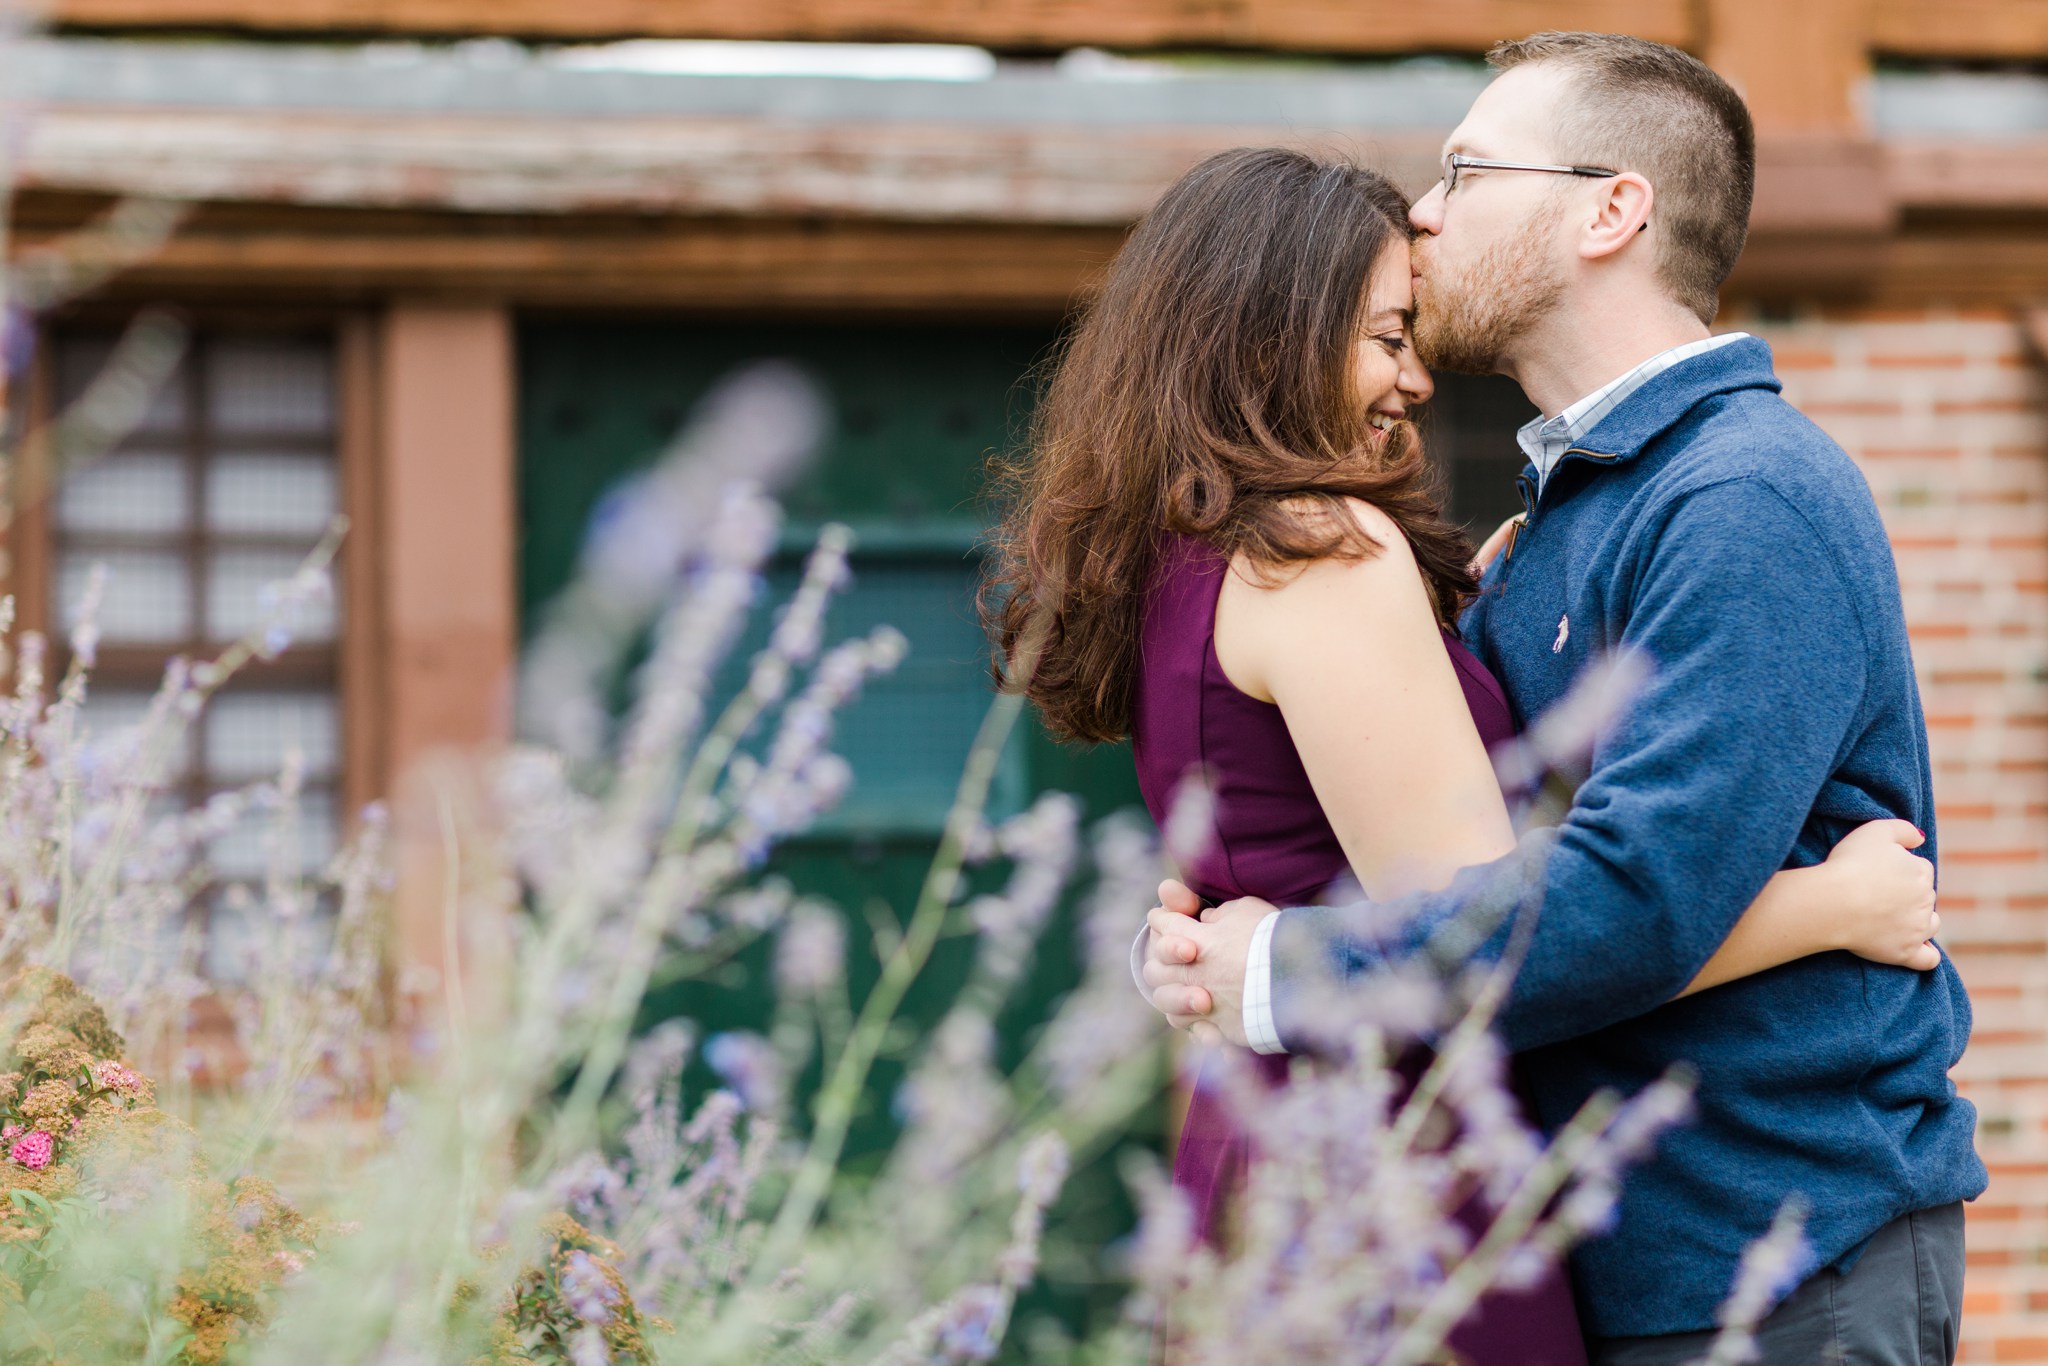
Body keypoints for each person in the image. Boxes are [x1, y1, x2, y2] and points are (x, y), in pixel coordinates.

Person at [987, 138, 1945, 1361]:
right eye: (1388, 337)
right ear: (1273, 333)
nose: (1415, 379)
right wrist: (1827, 904)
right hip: (1396, 1170)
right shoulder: (1321, 548)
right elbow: (1494, 944)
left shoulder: (1188, 552)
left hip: (1272, 1149)